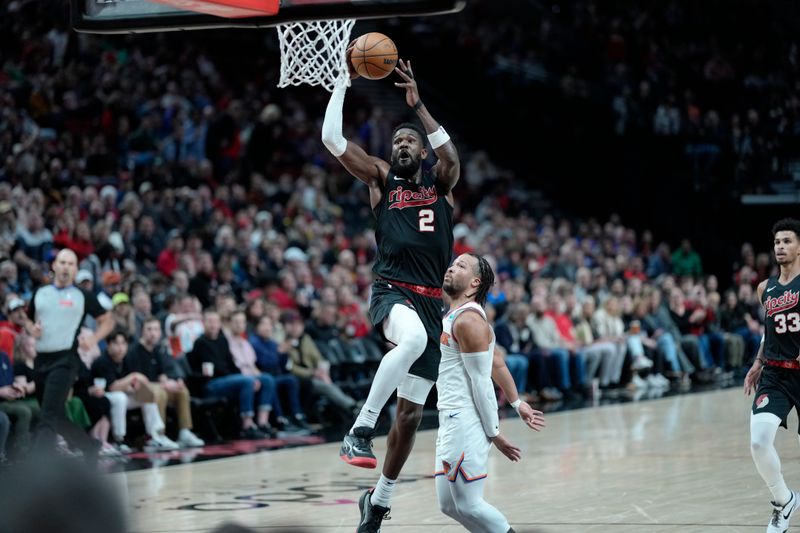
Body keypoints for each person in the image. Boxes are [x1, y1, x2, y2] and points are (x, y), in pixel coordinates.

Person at [322, 52, 460, 472]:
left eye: (409, 142)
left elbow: (452, 158)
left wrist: (417, 107)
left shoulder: (441, 184)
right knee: (414, 340)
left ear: (423, 152)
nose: (402, 145)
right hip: (392, 290)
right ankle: (360, 430)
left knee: (411, 414)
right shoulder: (382, 177)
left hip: (431, 301)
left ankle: (379, 498)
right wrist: (342, 82)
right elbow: (332, 139)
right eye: (397, 141)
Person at [357, 254, 546, 532]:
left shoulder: (469, 322)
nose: (450, 267)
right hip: (450, 419)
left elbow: (482, 383)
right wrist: (518, 403)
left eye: (461, 266)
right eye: (452, 263)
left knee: (469, 504)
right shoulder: (454, 316)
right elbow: (497, 362)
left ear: (474, 284)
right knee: (448, 504)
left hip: (467, 421)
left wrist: (495, 434)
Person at [23, 248, 114, 459]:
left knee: (47, 416)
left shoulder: (82, 296)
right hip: (41, 359)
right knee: (57, 417)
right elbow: (28, 320)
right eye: (62, 263)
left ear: (75, 270)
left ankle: (38, 468)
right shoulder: (41, 293)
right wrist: (31, 329)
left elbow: (108, 320)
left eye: (71, 264)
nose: (65, 267)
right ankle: (90, 446)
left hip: (66, 360)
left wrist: (93, 339)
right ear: (54, 266)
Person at [744, 218, 800, 533]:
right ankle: (784, 500)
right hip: (775, 374)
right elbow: (770, 330)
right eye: (777, 241)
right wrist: (758, 360)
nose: (780, 246)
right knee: (758, 442)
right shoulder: (766, 288)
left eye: (787, 241)